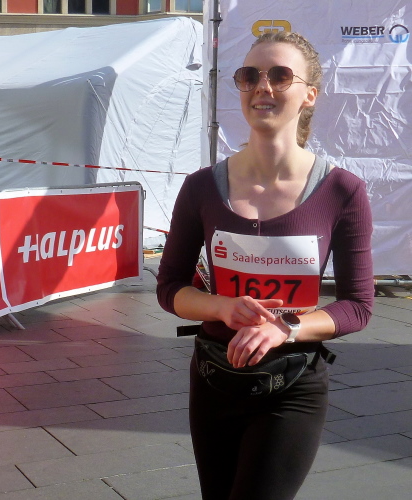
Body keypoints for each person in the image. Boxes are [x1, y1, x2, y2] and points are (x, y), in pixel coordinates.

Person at [156, 32, 373, 500]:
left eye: (280, 75)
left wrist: (285, 327)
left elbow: (358, 306)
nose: (262, 86)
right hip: (214, 378)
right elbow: (169, 286)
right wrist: (221, 307)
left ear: (309, 94)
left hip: (293, 384)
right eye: (249, 76)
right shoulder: (201, 187)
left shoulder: (342, 191)